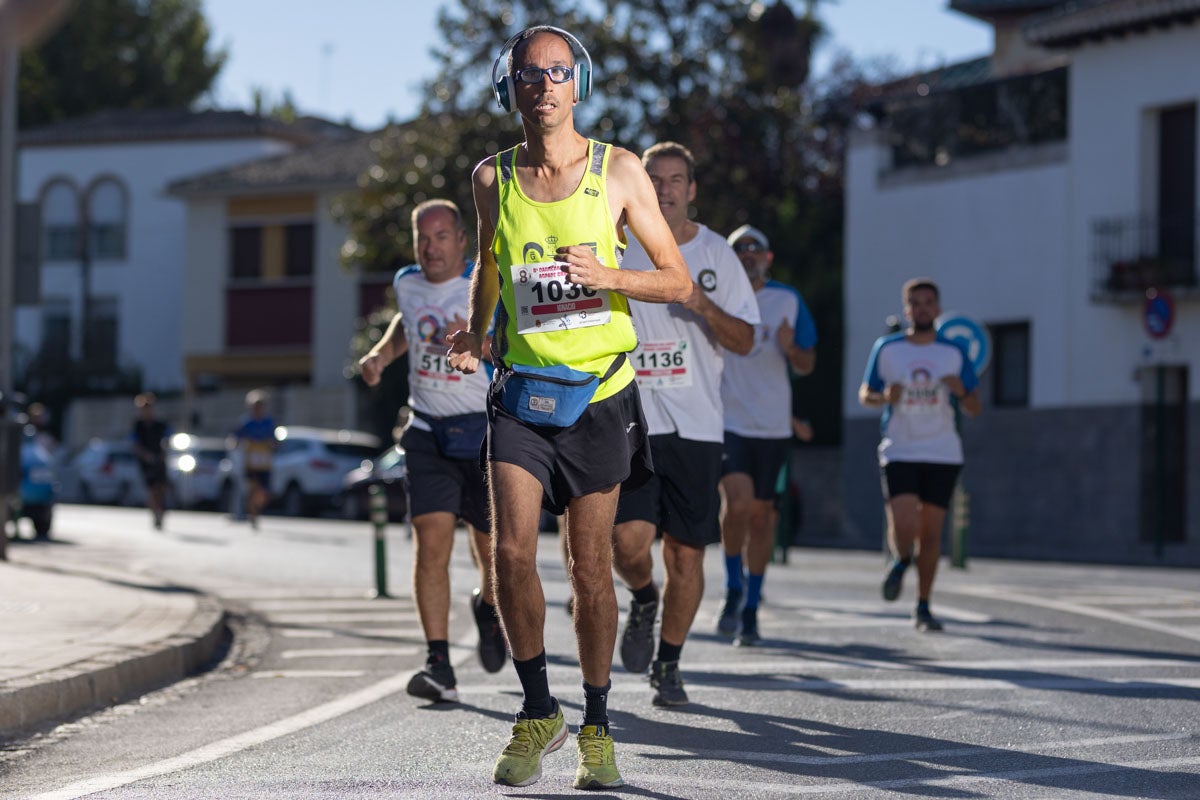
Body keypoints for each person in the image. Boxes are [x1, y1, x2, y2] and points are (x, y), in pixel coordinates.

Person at [446, 26, 691, 791]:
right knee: (510, 556)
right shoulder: (492, 178)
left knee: (589, 570)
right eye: (530, 74)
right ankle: (536, 709)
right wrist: (478, 330)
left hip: (600, 396)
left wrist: (607, 275)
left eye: (558, 72)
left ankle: (596, 723)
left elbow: (677, 281)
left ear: (577, 84)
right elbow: (489, 260)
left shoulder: (617, 172)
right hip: (520, 393)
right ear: (510, 87)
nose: (545, 85)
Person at [611, 142, 759, 707]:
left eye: (677, 179)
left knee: (686, 555)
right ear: (641, 185)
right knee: (627, 543)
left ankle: (668, 665)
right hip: (630, 418)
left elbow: (746, 340)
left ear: (692, 190)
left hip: (697, 425)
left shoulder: (717, 254)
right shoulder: (617, 243)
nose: (666, 188)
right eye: (655, 179)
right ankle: (643, 598)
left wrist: (701, 305)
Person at [357, 198, 506, 702]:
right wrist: (380, 355)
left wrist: (481, 343)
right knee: (431, 544)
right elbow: (406, 322)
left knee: (491, 554)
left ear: (462, 241)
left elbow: (510, 343)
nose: (431, 247)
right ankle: (439, 663)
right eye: (423, 237)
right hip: (426, 430)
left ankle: (489, 608)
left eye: (442, 237)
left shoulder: (485, 282)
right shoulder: (407, 282)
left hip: (483, 429)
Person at [858, 277, 981, 632]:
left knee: (931, 535)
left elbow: (975, 407)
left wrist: (961, 391)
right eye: (916, 303)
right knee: (904, 524)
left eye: (929, 302)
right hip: (900, 448)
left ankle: (923, 606)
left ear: (938, 309)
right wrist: (884, 398)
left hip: (943, 452)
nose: (922, 308)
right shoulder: (888, 348)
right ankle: (900, 563)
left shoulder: (954, 352)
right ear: (907, 309)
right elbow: (866, 394)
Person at [716, 224, 817, 646]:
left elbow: (808, 364)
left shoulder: (788, 300)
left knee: (762, 517)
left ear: (768, 258)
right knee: (736, 505)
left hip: (773, 428)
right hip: (728, 422)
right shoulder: (717, 297)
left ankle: (752, 606)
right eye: (739, 249)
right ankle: (733, 586)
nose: (748, 255)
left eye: (756, 249)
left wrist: (791, 348)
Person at [234, 390, 276, 529]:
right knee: (253, 489)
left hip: (264, 463)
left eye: (260, 406)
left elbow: (275, 441)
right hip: (250, 462)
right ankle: (252, 514)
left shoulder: (268, 422)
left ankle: (255, 509)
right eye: (255, 406)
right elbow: (236, 440)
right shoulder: (246, 422)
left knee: (264, 492)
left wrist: (272, 444)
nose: (258, 409)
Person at [130, 392, 170, 530]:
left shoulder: (160, 424)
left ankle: (161, 510)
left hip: (160, 460)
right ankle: (155, 514)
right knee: (152, 489)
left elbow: (167, 439)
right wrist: (145, 456)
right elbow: (135, 444)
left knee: (162, 488)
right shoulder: (138, 426)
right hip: (146, 462)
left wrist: (164, 453)